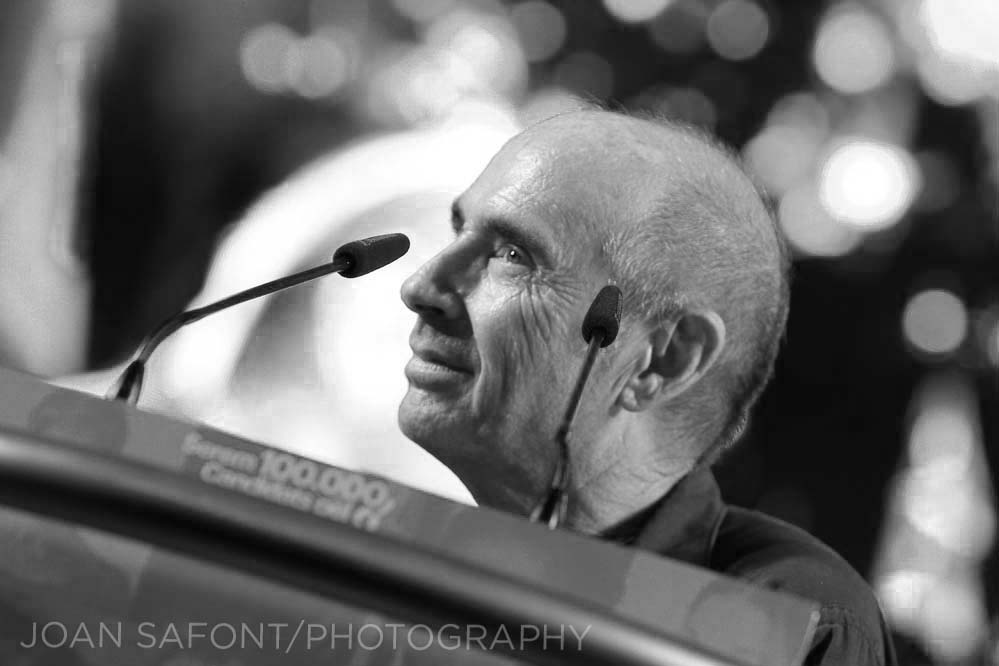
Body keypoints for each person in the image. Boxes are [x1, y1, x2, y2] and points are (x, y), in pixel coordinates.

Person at [396, 109, 896, 665]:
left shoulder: (790, 620)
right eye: (458, 231)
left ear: (663, 359)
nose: (420, 286)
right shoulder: (396, 561)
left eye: (514, 256)